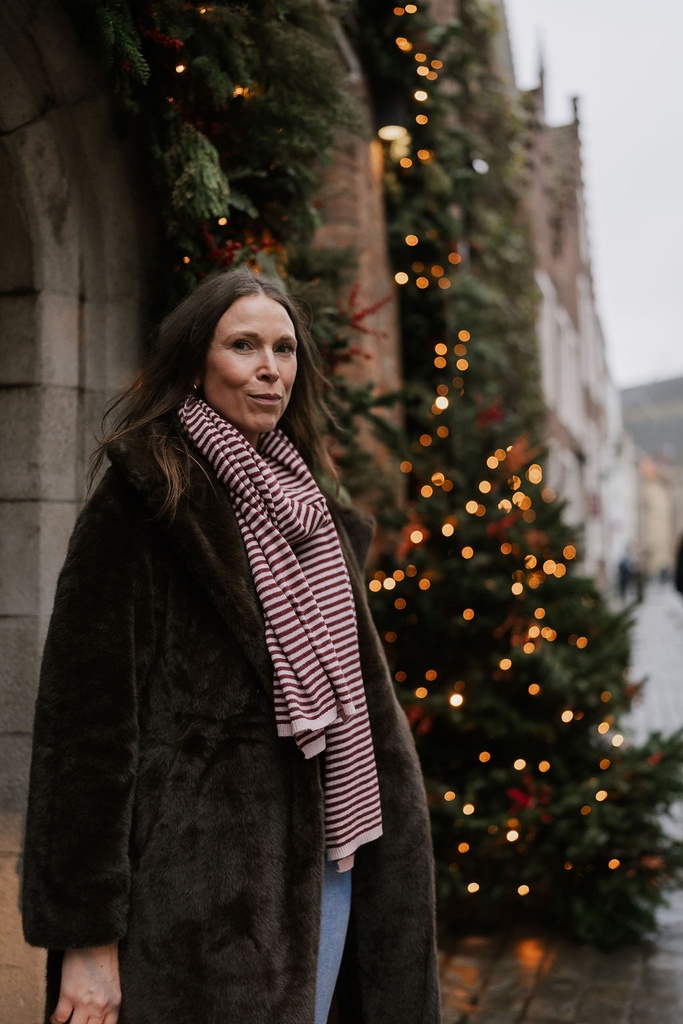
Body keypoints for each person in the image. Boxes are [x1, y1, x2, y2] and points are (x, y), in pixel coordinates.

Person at [21, 268, 441, 1024]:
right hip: (196, 897)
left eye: (283, 349)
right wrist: (87, 938)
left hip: (334, 862)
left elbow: (364, 713)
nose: (269, 368)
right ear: (194, 361)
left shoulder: (310, 512)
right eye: (243, 345)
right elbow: (82, 736)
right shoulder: (144, 500)